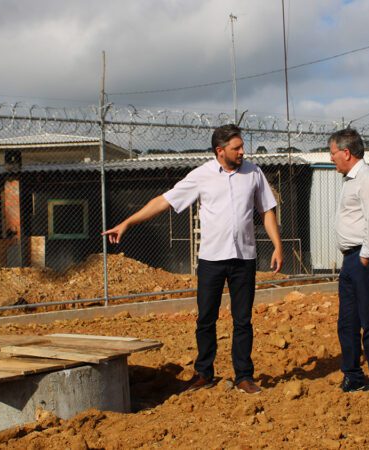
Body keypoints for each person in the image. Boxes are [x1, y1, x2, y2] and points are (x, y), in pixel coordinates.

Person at [103, 124, 283, 395]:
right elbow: (163, 201)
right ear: (220, 151)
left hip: (244, 258)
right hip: (212, 259)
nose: (242, 151)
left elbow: (267, 210)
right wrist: (127, 222)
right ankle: (204, 374)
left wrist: (277, 246)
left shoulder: (253, 173)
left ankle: (244, 376)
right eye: (236, 148)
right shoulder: (202, 175)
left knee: (243, 320)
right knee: (206, 319)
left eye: (242, 146)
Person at [329, 128, 369, 393]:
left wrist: (365, 258)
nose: (331, 158)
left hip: (365, 256)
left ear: (346, 152)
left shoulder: (368, 179)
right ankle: (353, 375)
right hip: (353, 258)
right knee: (347, 321)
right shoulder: (351, 179)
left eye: (333, 153)